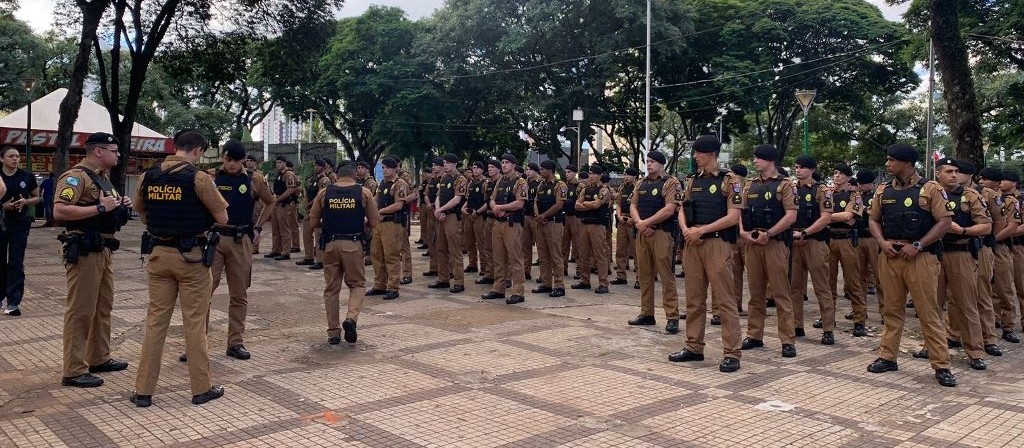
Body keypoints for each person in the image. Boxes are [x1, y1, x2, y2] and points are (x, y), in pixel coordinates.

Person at [131, 130, 228, 407]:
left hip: (159, 255)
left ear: (175, 147)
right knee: (195, 324)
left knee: (155, 323)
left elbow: (141, 211)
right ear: (198, 151)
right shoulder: (199, 178)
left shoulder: (148, 176)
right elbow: (222, 217)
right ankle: (201, 389)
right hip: (192, 259)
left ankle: (143, 392)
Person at [865, 143, 956, 387]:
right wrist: (882, 242)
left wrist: (917, 245)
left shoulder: (930, 189)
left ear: (907, 163)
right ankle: (887, 357)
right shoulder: (883, 190)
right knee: (891, 311)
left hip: (921, 258)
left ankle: (941, 366)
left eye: (891, 160)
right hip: (891, 256)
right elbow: (873, 219)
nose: (887, 164)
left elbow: (944, 222)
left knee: (928, 313)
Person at [53, 133, 132, 388]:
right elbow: (59, 210)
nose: (117, 155)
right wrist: (100, 209)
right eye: (113, 150)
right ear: (98, 151)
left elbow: (109, 206)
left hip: (104, 249)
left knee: (102, 307)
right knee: (81, 311)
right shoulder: (76, 177)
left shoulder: (103, 178)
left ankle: (99, 357)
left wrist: (120, 204)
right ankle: (74, 369)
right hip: (85, 249)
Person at [194, 140, 274, 362]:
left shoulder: (254, 179)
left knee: (239, 293)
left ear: (243, 160)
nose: (231, 165)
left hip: (241, 239)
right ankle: (197, 343)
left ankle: (235, 343)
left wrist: (258, 227)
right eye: (228, 160)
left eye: (236, 161)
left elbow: (270, 202)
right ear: (222, 157)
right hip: (214, 239)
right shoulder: (209, 177)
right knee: (204, 292)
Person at [668, 136, 742, 371]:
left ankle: (732, 353)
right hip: (693, 243)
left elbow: (733, 216)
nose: (694, 157)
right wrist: (687, 230)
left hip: (717, 244)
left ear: (710, 154)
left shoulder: (731, 181)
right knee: (694, 299)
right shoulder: (691, 181)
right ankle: (693, 346)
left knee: (725, 300)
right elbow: (681, 208)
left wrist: (702, 230)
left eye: (697, 153)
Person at [912, 158, 989, 371]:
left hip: (960, 254)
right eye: (949, 171)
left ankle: (975, 352)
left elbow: (986, 227)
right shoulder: (926, 193)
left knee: (967, 304)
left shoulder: (970, 195)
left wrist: (962, 231)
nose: (954, 175)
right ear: (938, 173)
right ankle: (931, 346)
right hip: (932, 254)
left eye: (956, 171)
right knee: (930, 305)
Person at [309, 161, 380, 345]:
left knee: (331, 289)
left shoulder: (324, 193)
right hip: (353, 244)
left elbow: (313, 222)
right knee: (357, 284)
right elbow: (374, 222)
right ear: (355, 175)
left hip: (330, 245)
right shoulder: (363, 192)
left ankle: (333, 332)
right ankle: (351, 318)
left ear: (338, 175)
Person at [739, 145, 798, 358]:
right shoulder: (750, 186)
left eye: (758, 158)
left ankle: (787, 340)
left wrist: (770, 234)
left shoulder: (785, 185)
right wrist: (743, 232)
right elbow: (740, 211)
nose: (755, 161)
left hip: (774, 243)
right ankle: (754, 335)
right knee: (755, 294)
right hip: (753, 242)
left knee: (781, 294)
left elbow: (791, 216)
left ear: (769, 160)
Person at [627, 151, 682, 332]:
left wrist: (646, 223)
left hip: (662, 233)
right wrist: (639, 223)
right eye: (647, 161)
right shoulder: (641, 183)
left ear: (661, 164)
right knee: (644, 275)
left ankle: (672, 316)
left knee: (666, 276)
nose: (649, 164)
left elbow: (669, 209)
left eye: (652, 162)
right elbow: (633, 205)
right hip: (643, 233)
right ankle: (646, 314)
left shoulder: (671, 182)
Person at [788, 155, 836, 345]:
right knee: (794, 287)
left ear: (812, 170)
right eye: (796, 167)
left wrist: (806, 233)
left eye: (802, 167)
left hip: (814, 241)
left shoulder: (822, 190)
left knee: (821, 287)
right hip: (794, 241)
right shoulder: (790, 189)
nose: (798, 170)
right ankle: (796, 324)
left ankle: (828, 328)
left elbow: (826, 217)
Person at [826, 163, 868, 337]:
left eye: (841, 173)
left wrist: (825, 217)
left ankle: (859, 320)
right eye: (835, 173)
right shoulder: (827, 194)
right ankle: (828, 318)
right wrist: (834, 218)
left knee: (853, 283)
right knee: (828, 283)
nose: (837, 176)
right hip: (829, 239)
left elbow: (849, 216)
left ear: (848, 177)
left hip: (847, 240)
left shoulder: (855, 195)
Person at [482, 154, 528, 304]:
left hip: (511, 224)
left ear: (514, 165)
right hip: (498, 222)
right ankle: (498, 288)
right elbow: (492, 198)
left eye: (507, 162)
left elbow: (520, 203)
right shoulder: (500, 181)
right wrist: (495, 207)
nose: (504, 165)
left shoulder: (520, 182)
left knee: (515, 258)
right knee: (499, 257)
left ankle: (518, 292)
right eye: (502, 162)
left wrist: (501, 207)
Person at [1, 146, 40, 316]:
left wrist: (25, 202)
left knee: (16, 261)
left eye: (17, 156)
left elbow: (37, 197)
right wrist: (3, 206)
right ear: (2, 159)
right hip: (1, 222)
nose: (15, 159)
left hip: (20, 223)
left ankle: (14, 302)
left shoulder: (27, 176)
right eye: (11, 156)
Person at [367, 156, 409, 300]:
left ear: (394, 168)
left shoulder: (399, 184)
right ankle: (379, 285)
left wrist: (380, 211)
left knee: (391, 255)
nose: (384, 170)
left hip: (392, 224)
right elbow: (375, 200)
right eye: (383, 168)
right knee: (376, 254)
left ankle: (393, 287)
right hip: (379, 224)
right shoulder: (382, 183)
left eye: (387, 168)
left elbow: (399, 205)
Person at [972, 167, 1004, 357]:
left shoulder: (989, 195)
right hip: (960, 250)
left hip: (982, 247)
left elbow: (999, 225)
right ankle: (954, 334)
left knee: (983, 293)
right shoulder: (947, 192)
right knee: (956, 297)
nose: (982, 181)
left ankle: (989, 338)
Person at [432, 153, 468, 293]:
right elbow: (438, 196)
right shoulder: (444, 178)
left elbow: (456, 200)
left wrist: (440, 210)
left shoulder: (460, 179)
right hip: (441, 216)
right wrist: (438, 210)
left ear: (454, 164)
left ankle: (459, 281)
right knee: (441, 248)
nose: (445, 165)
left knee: (455, 250)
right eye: (444, 163)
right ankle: (443, 278)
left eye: (447, 163)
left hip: (452, 217)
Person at [573, 165, 612, 294]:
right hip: (585, 224)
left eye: (594, 174)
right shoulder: (585, 189)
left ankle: (603, 283)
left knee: (600, 254)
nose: (591, 176)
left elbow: (597, 204)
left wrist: (585, 204)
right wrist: (588, 205)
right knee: (583, 254)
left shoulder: (604, 190)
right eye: (590, 173)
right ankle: (584, 281)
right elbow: (577, 206)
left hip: (598, 225)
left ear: (600, 175)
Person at [993, 170, 1022, 343]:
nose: (1001, 182)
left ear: (1014, 183)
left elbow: (1015, 226)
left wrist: (996, 237)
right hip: (993, 247)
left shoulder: (1016, 201)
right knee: (992, 289)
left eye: (1005, 179)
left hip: (1013, 246)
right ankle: (996, 320)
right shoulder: (996, 199)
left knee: (1010, 288)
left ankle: (1010, 326)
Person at [532, 160, 567, 298]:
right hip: (541, 223)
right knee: (543, 254)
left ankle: (559, 285)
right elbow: (535, 201)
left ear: (550, 170)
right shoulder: (541, 185)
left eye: (543, 169)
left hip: (553, 223)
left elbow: (559, 204)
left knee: (555, 255)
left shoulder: (560, 185)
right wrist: (538, 216)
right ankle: (546, 283)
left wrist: (544, 215)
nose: (540, 171)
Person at [298, 159, 335, 269]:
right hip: (309, 210)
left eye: (318, 166)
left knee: (319, 235)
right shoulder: (312, 179)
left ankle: (320, 260)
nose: (315, 168)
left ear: (323, 167)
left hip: (319, 210)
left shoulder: (325, 180)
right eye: (315, 166)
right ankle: (308, 257)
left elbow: (320, 195)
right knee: (306, 235)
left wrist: (309, 204)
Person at [475, 159, 502, 285]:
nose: (490, 169)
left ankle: (505, 277)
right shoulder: (487, 184)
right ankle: (490, 274)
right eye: (489, 167)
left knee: (502, 250)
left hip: (501, 218)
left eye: (492, 167)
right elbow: (487, 202)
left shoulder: (503, 182)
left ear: (498, 169)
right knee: (488, 248)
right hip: (489, 218)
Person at [266, 156, 299, 260]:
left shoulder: (288, 174)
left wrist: (279, 199)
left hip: (284, 203)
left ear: (285, 163)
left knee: (284, 228)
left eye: (280, 162)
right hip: (277, 202)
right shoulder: (279, 174)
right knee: (275, 228)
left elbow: (290, 190)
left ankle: (285, 252)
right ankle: (276, 250)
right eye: (277, 162)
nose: (278, 164)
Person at [612, 167, 639, 285]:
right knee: (620, 250)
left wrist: (634, 219)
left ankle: (639, 278)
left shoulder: (639, 188)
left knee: (637, 252)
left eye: (628, 175)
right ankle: (621, 276)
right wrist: (618, 216)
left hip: (634, 222)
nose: (626, 177)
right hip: (622, 220)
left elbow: (641, 206)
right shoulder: (623, 188)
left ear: (635, 177)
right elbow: (618, 204)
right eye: (625, 175)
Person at [462, 161, 488, 275]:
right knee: (469, 241)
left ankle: (484, 266)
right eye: (474, 168)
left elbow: (487, 201)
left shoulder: (485, 183)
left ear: (482, 170)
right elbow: (468, 198)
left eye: (478, 168)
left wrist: (478, 212)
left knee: (482, 242)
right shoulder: (471, 183)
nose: (475, 170)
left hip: (480, 215)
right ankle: (472, 264)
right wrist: (463, 208)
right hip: (469, 214)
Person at [244, 155, 270, 254]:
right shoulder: (244, 173)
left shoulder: (259, 175)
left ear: (255, 162)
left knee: (254, 222)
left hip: (255, 202)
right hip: (246, 201)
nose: (248, 162)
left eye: (251, 161)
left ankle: (255, 247)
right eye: (247, 161)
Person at [521, 163, 542, 280]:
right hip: (525, 216)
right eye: (526, 170)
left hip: (535, 218)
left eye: (530, 170)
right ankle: (526, 271)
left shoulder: (539, 184)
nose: (527, 172)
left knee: (540, 245)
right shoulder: (524, 183)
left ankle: (543, 274)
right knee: (525, 245)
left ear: (535, 171)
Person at [561, 165, 581, 277]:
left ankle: (579, 270)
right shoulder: (564, 186)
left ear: (574, 173)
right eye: (566, 172)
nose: (567, 174)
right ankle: (563, 268)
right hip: (565, 216)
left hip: (575, 217)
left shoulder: (580, 186)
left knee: (577, 245)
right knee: (564, 245)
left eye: (569, 172)